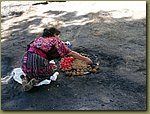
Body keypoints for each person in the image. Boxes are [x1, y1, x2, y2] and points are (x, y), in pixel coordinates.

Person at [20, 27, 93, 91]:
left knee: (33, 70)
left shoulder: (39, 39)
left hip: (25, 61)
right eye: (58, 35)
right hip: (37, 61)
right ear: (54, 34)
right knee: (50, 71)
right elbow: (70, 53)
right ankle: (36, 80)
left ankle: (26, 78)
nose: (59, 38)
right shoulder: (54, 40)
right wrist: (85, 59)